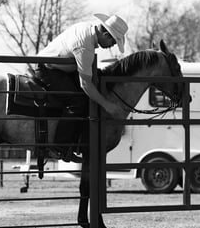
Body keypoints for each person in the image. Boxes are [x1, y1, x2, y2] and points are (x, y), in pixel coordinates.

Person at [33, 13, 129, 163]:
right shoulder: (85, 46)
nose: (113, 45)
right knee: (77, 100)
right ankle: (61, 146)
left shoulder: (84, 28)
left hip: (57, 67)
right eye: (113, 41)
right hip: (48, 69)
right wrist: (107, 105)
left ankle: (76, 140)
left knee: (87, 93)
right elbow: (85, 84)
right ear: (105, 33)